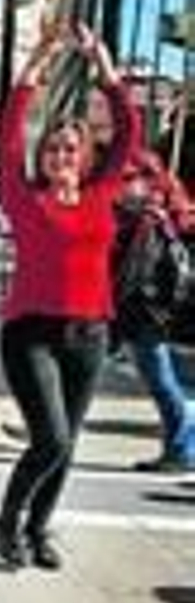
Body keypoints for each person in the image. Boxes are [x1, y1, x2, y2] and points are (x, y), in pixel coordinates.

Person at [0, 23, 138, 571]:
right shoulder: (23, 197)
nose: (60, 154)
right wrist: (36, 63)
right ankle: (8, 522)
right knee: (50, 438)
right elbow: (9, 133)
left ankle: (37, 528)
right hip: (31, 334)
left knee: (68, 444)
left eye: (70, 148)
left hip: (90, 333)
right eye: (52, 147)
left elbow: (128, 130)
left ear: (84, 156)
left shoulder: (103, 192)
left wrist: (105, 66)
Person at [111, 147, 195, 473]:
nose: (125, 182)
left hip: (143, 305)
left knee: (159, 376)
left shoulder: (149, 210)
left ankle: (183, 445)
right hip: (135, 303)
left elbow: (138, 269)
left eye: (132, 176)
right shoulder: (146, 207)